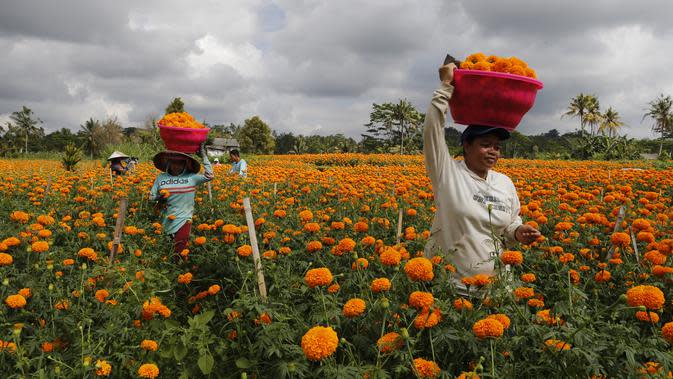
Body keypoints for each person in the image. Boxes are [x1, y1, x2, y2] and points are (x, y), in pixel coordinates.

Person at [423, 62, 541, 295]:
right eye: (485, 145)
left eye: (497, 147)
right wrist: (445, 86)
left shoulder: (504, 183)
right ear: (466, 145)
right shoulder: (448, 174)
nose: (493, 151)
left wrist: (518, 232)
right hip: (452, 289)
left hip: (497, 291)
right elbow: (432, 133)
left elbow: (509, 225)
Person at [150, 143, 213, 261]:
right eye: (174, 162)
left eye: (180, 163)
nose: (176, 166)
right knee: (167, 250)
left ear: (185, 164)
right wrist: (160, 197)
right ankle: (172, 273)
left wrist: (204, 156)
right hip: (166, 219)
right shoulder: (161, 178)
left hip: (184, 218)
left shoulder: (192, 177)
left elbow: (209, 176)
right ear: (168, 163)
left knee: (180, 250)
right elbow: (151, 197)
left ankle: (181, 272)